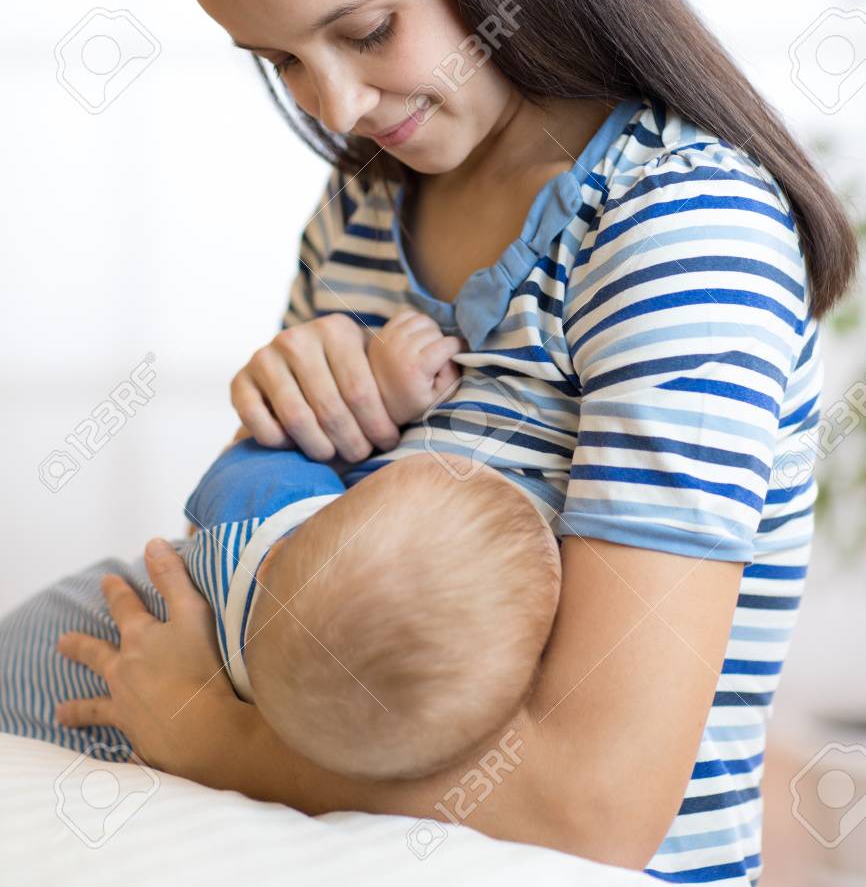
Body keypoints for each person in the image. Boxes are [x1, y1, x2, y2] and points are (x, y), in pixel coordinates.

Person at [15, 0, 861, 880]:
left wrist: (210, 732)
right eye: (279, 63)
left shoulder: (678, 233)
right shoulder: (365, 205)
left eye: (365, 29)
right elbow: (323, 637)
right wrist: (287, 423)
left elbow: (595, 806)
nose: (337, 108)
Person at [0, 310, 563, 785]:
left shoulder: (271, 518)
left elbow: (261, 442)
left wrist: (386, 395)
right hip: (103, 732)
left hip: (44, 651)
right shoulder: (346, 731)